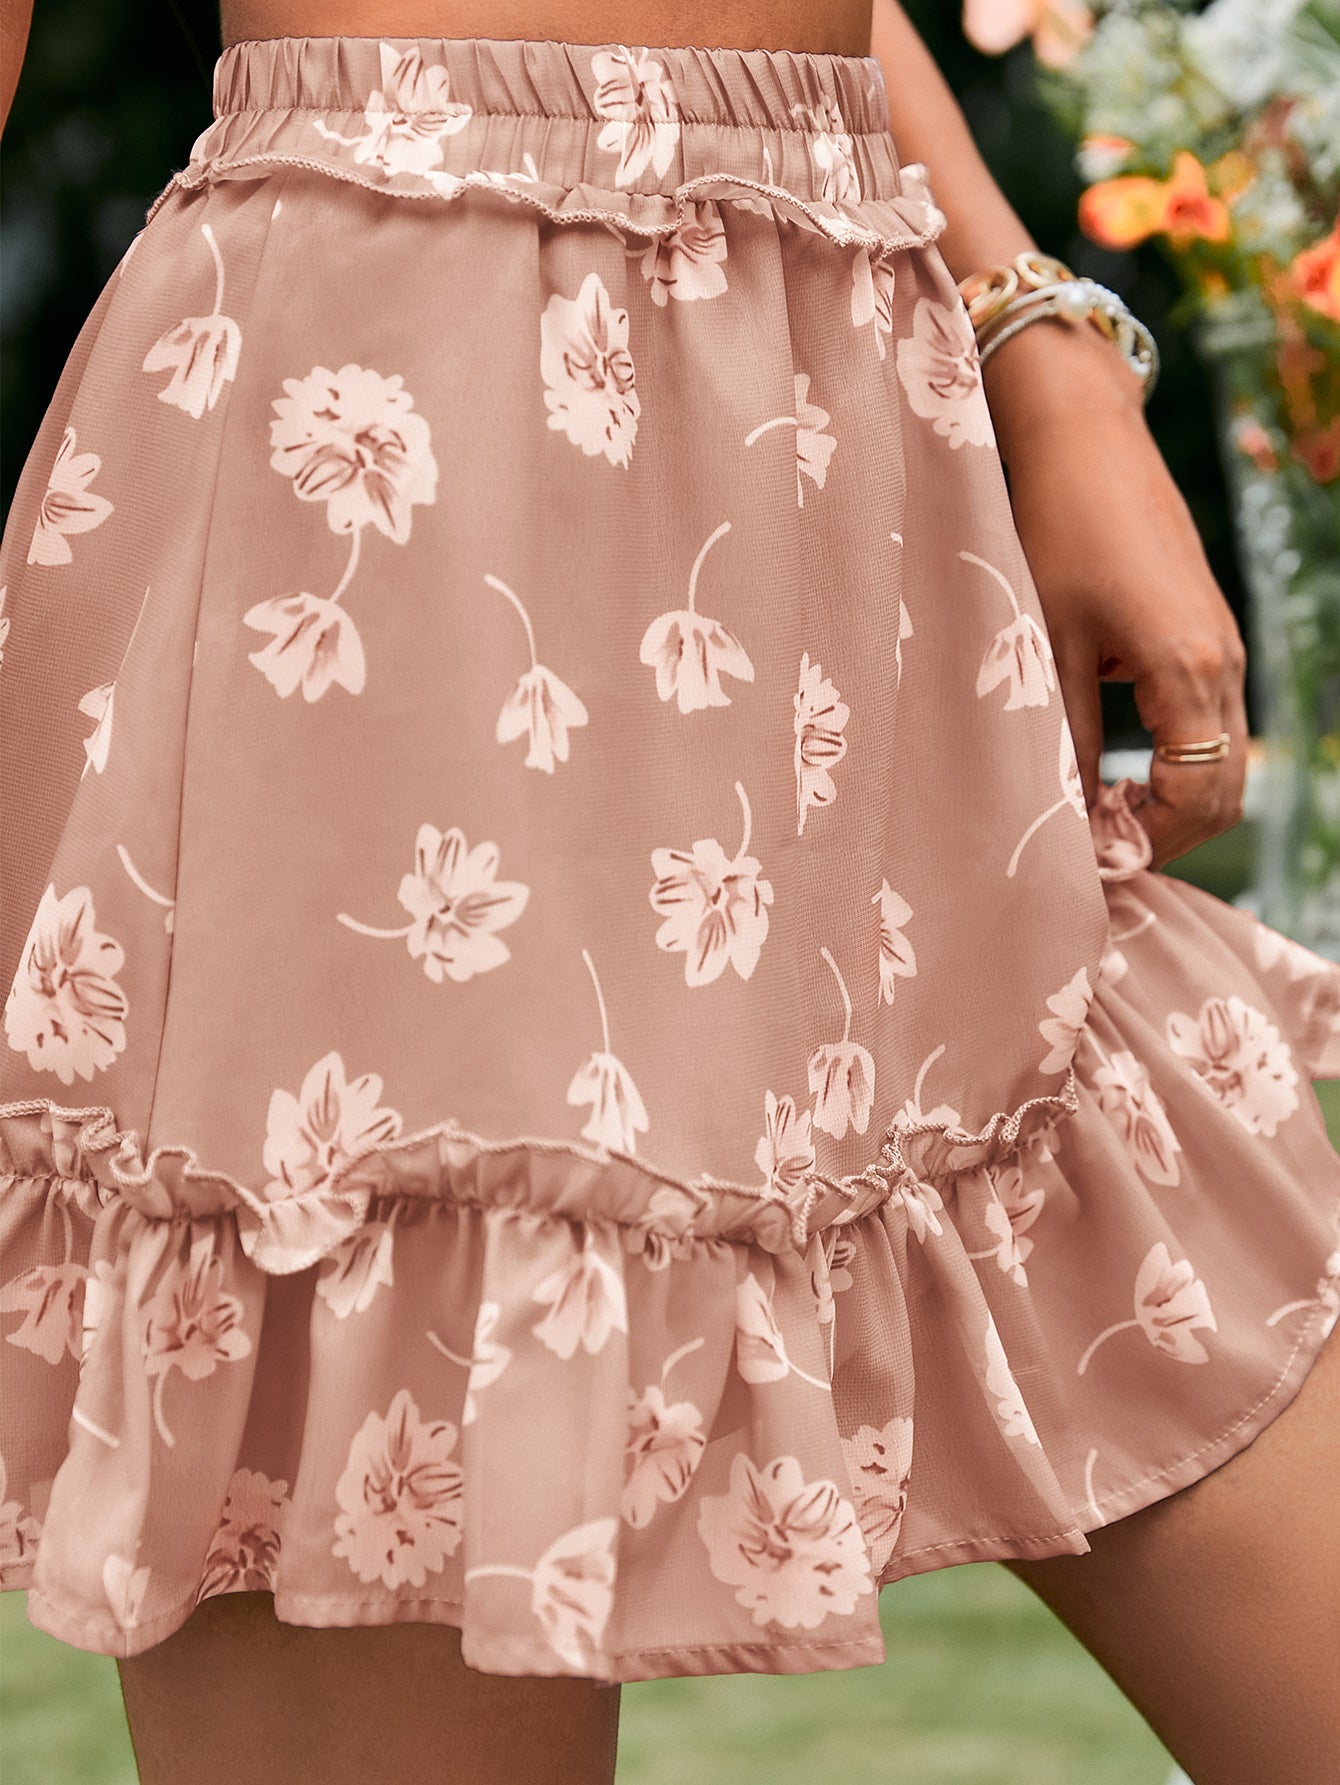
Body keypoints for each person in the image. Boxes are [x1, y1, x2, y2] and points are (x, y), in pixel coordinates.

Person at [1, 2, 1338, 1782]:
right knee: (387, 1280)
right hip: (382, 451)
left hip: (836, 450)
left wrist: (1041, 344)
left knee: (1075, 1131)